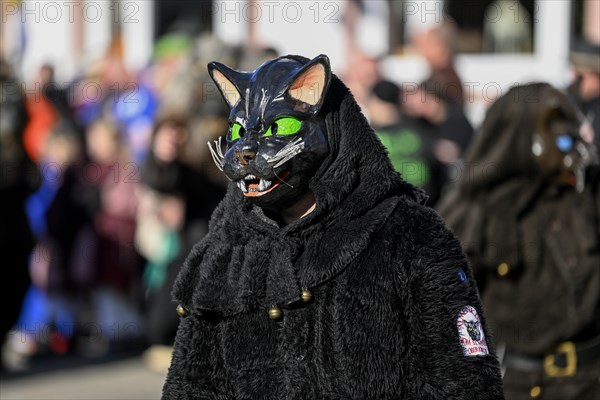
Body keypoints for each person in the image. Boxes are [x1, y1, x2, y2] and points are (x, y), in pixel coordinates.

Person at [162, 54, 504, 399]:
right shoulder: (225, 249)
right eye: (239, 130)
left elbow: (465, 383)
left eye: (278, 128)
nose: (246, 147)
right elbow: (191, 384)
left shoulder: (412, 234)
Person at [438, 83, 600, 400]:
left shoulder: (586, 198)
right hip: (523, 386)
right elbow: (448, 309)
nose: (568, 134)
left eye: (570, 120)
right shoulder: (476, 213)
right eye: (555, 123)